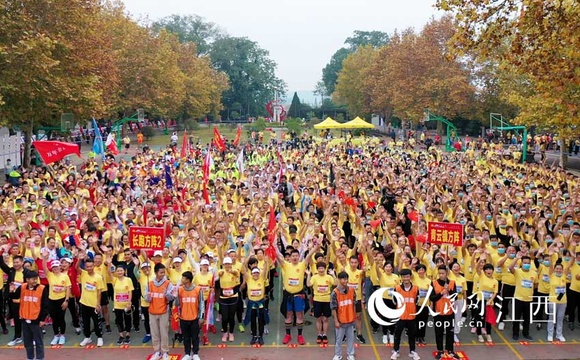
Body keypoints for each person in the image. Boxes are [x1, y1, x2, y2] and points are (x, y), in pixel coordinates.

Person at [276, 240, 319, 345]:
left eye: (296, 255)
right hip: (288, 295)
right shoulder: (285, 265)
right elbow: (277, 256)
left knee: (299, 315)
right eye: (293, 256)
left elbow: (309, 255)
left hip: (298, 295)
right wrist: (272, 246)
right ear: (290, 257)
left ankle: (300, 336)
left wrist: (316, 246)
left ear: (299, 256)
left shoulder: (302, 264)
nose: (295, 257)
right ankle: (288, 335)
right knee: (288, 314)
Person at [12, 271, 49, 360]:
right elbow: (14, 296)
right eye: (33, 279)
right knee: (27, 342)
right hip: (24, 319)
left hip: (36, 320)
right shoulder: (22, 287)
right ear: (27, 280)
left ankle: (40, 358)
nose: (35, 281)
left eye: (36, 279)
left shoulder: (42, 288)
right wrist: (11, 291)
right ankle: (30, 357)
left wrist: (42, 319)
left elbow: (46, 305)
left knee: (38, 342)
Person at [144, 263, 175, 360]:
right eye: (161, 272)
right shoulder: (149, 284)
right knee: (155, 333)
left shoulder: (168, 283)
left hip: (163, 312)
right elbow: (147, 299)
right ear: (156, 272)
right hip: (152, 312)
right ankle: (157, 351)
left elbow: (171, 298)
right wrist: (148, 296)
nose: (163, 274)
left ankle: (165, 352)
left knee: (164, 333)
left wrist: (167, 294)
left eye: (164, 272)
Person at [430, 265, 459, 360]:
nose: (441, 275)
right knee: (439, 332)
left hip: (449, 312)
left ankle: (450, 350)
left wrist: (449, 290)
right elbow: (432, 298)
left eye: (443, 273)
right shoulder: (434, 283)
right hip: (438, 312)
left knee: (450, 332)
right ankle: (440, 351)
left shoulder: (452, 283)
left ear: (447, 273)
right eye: (440, 273)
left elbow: (455, 297)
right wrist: (441, 293)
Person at [41, 254, 71, 346]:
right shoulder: (50, 275)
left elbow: (68, 288)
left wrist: (66, 300)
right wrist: (44, 259)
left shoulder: (65, 276)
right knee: (54, 319)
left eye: (57, 267)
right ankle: (56, 335)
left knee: (61, 318)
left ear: (60, 267)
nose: (55, 268)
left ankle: (62, 335)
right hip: (51, 300)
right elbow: (44, 267)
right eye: (53, 267)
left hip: (61, 300)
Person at [390, 269, 420, 360]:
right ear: (401, 278)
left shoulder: (415, 288)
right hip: (401, 316)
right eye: (404, 277)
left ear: (410, 277)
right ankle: (396, 351)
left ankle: (412, 351)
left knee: (412, 335)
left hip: (411, 316)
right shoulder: (397, 288)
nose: (406, 278)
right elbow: (394, 300)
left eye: (407, 276)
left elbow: (417, 301)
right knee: (397, 334)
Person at [76, 255, 106, 347]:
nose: (89, 268)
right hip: (84, 303)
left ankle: (99, 337)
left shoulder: (98, 277)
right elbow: (76, 267)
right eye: (87, 266)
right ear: (85, 267)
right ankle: (87, 337)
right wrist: (80, 259)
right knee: (85, 322)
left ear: (94, 266)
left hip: (94, 304)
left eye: (91, 266)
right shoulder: (84, 274)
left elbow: (99, 292)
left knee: (97, 322)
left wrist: (97, 304)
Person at [174, 271, 204, 360]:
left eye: (183, 278)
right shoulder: (180, 289)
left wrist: (201, 317)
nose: (181, 280)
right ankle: (187, 353)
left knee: (195, 336)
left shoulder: (198, 289)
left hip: (194, 317)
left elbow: (202, 304)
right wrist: (176, 295)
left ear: (188, 280)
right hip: (183, 317)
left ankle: (195, 353)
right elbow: (177, 304)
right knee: (186, 337)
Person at [1, 253, 29, 346]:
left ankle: (29, 338)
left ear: (22, 262)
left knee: (27, 320)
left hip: (25, 301)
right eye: (14, 262)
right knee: (16, 320)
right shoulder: (11, 271)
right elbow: (2, 264)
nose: (15, 264)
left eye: (17, 262)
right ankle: (17, 337)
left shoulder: (27, 273)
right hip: (14, 301)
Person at [306, 262, 336, 345]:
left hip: (327, 300)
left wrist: (333, 274)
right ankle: (319, 335)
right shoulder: (314, 277)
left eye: (323, 268)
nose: (321, 270)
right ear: (317, 269)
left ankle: (325, 335)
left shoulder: (329, 277)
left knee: (326, 319)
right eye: (319, 268)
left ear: (325, 269)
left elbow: (336, 283)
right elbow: (308, 284)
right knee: (318, 318)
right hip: (317, 300)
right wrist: (308, 275)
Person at [509, 253, 536, 342]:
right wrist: (516, 258)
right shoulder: (518, 271)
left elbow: (535, 285)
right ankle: (515, 333)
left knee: (527, 318)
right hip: (518, 298)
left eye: (528, 263)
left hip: (528, 299)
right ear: (522, 263)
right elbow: (510, 267)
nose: (526, 264)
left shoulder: (534, 273)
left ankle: (526, 333)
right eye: (525, 263)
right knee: (516, 317)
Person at [331, 271, 356, 360]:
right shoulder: (335, 292)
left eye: (346, 279)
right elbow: (333, 308)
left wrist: (354, 318)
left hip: (350, 320)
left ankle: (350, 354)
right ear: (338, 279)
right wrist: (336, 321)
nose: (344, 281)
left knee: (350, 339)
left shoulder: (352, 291)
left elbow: (354, 305)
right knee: (339, 339)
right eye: (342, 279)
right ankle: (338, 354)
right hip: (340, 321)